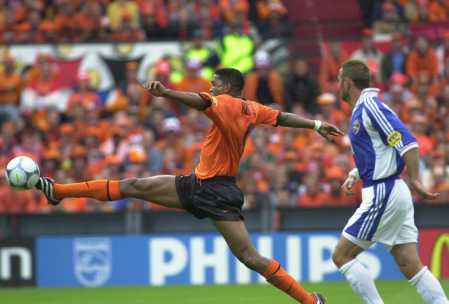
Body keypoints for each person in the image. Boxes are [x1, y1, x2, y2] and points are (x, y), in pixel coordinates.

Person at [35, 68, 344, 304]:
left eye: (214, 82)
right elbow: (281, 117)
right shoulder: (253, 109)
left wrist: (167, 93)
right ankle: (58, 192)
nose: (210, 85)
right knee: (134, 185)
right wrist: (315, 125)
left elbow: (200, 101)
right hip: (198, 183)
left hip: (215, 190)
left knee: (249, 256)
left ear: (226, 87)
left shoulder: (224, 102)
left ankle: (309, 301)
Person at [332, 60, 449, 304]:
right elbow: (381, 150)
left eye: (339, 79)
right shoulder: (363, 110)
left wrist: (416, 178)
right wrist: (355, 174)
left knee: (341, 256)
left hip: (383, 191)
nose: (337, 84)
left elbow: (407, 142)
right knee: (409, 263)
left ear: (348, 82)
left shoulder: (370, 107)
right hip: (391, 190)